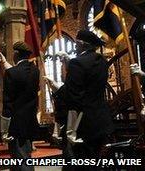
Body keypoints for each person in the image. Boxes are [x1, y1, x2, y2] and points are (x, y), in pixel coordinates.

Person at [54, 30, 114, 170]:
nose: (75, 46)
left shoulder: (77, 63)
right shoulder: (101, 61)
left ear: (81, 44)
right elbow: (89, 82)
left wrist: (58, 89)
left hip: (82, 124)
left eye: (76, 43)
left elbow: (74, 97)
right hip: (100, 121)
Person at [1, 41, 40, 171]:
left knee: (21, 160)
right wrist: (5, 63)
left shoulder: (11, 73)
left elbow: (8, 103)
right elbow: (20, 76)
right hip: (30, 122)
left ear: (16, 54)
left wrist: (4, 129)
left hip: (15, 125)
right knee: (24, 157)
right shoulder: (35, 71)